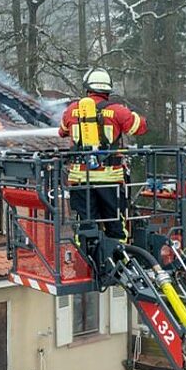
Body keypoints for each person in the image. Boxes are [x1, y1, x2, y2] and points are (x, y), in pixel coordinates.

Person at [58, 68, 147, 241]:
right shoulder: (118, 111)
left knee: (86, 224)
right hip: (110, 179)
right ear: (108, 89)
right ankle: (118, 259)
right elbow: (140, 127)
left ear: (87, 88)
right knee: (115, 225)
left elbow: (62, 132)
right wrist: (134, 115)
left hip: (80, 179)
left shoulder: (71, 110)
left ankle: (87, 258)